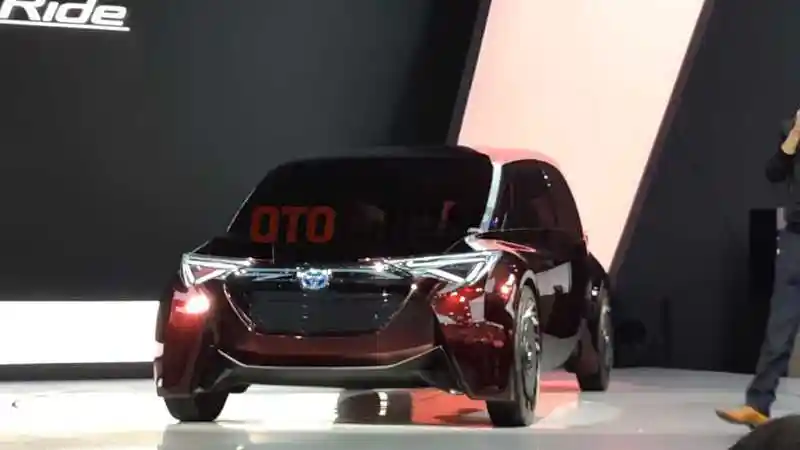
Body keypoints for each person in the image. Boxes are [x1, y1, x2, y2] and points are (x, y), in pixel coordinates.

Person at [716, 108, 800, 428]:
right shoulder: (790, 129)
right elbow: (774, 172)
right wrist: (794, 136)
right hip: (796, 238)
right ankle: (758, 406)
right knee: (779, 328)